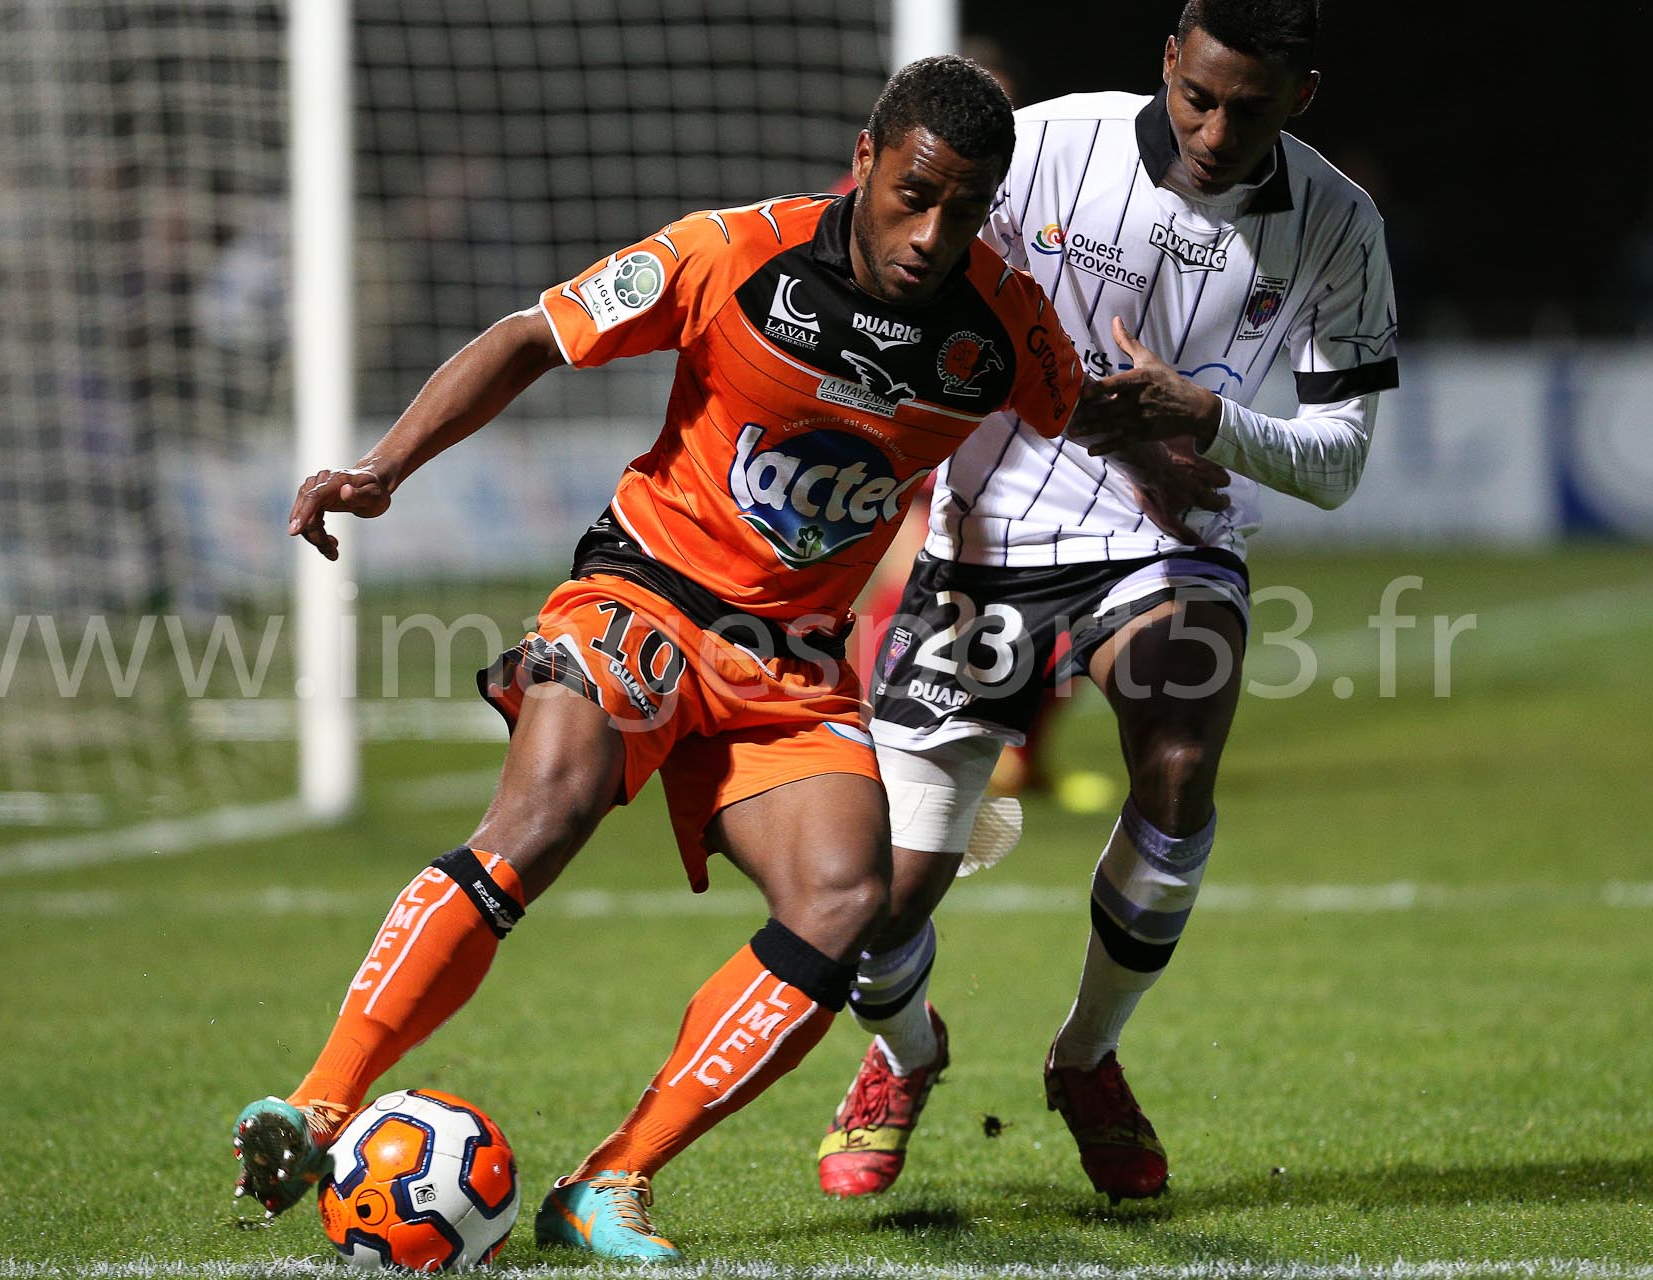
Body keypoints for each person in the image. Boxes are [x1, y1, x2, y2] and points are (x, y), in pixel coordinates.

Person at [233, 55, 1087, 1261]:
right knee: (545, 811)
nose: (933, 235)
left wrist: (1194, 440)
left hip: (789, 661)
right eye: (915, 194)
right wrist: (383, 467)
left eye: (965, 209)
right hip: (645, 592)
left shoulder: (1005, 326)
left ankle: (611, 1180)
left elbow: (1092, 414)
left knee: (844, 899)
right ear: (865, 160)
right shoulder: (731, 256)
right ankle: (321, 1099)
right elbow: (532, 335)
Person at [816, 0, 1400, 1204]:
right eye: (1199, 96)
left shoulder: (1341, 224)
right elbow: (923, 297)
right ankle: (906, 1053)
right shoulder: (1041, 147)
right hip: (989, 538)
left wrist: (1207, 420)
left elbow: (1341, 461)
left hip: (1170, 541)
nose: (1215, 131)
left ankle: (1086, 1056)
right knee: (881, 894)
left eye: (1250, 110)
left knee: (1178, 763)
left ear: (1302, 96)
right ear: (1169, 59)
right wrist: (1123, 438)